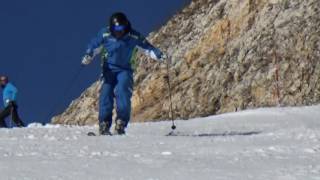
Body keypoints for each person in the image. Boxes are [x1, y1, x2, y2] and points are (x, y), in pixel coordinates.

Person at [81, 12, 166, 135]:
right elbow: (95, 45)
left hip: (125, 69)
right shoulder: (105, 34)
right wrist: (88, 54)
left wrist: (159, 55)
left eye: (121, 28)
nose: (119, 31)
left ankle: (121, 122)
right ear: (111, 27)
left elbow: (148, 48)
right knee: (106, 93)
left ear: (125, 26)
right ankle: (104, 123)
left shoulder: (133, 36)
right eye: (116, 29)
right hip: (108, 69)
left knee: (123, 91)